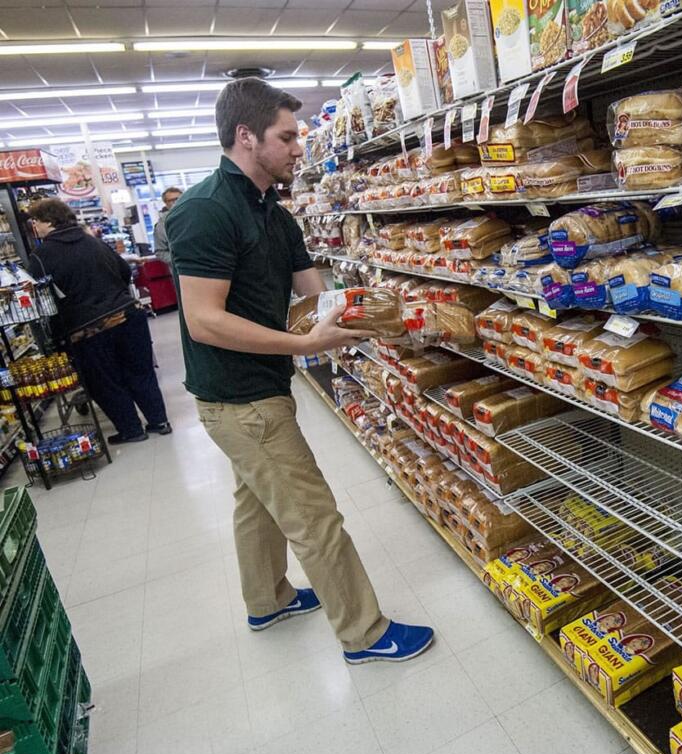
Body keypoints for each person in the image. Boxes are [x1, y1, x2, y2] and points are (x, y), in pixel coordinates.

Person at [167, 78, 433, 665]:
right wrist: (301, 342)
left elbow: (318, 298)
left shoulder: (276, 214)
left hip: (262, 390)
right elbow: (205, 320)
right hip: (239, 399)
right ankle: (364, 633)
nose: (298, 149)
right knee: (313, 516)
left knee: (256, 499)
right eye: (287, 137)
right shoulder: (205, 211)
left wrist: (383, 314)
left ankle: (268, 599)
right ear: (246, 136)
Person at [26, 198, 172, 445]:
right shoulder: (94, 242)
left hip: (87, 328)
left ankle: (131, 430)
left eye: (35, 221)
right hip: (127, 314)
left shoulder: (41, 256)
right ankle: (159, 421)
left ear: (48, 222)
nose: (34, 227)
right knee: (140, 371)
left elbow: (42, 297)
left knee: (105, 380)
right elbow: (125, 272)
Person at [152, 187, 182, 266]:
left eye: (178, 199)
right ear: (166, 203)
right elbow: (160, 251)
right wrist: (180, 261)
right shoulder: (162, 225)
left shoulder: (196, 216)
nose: (176, 202)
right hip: (182, 271)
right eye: (171, 200)